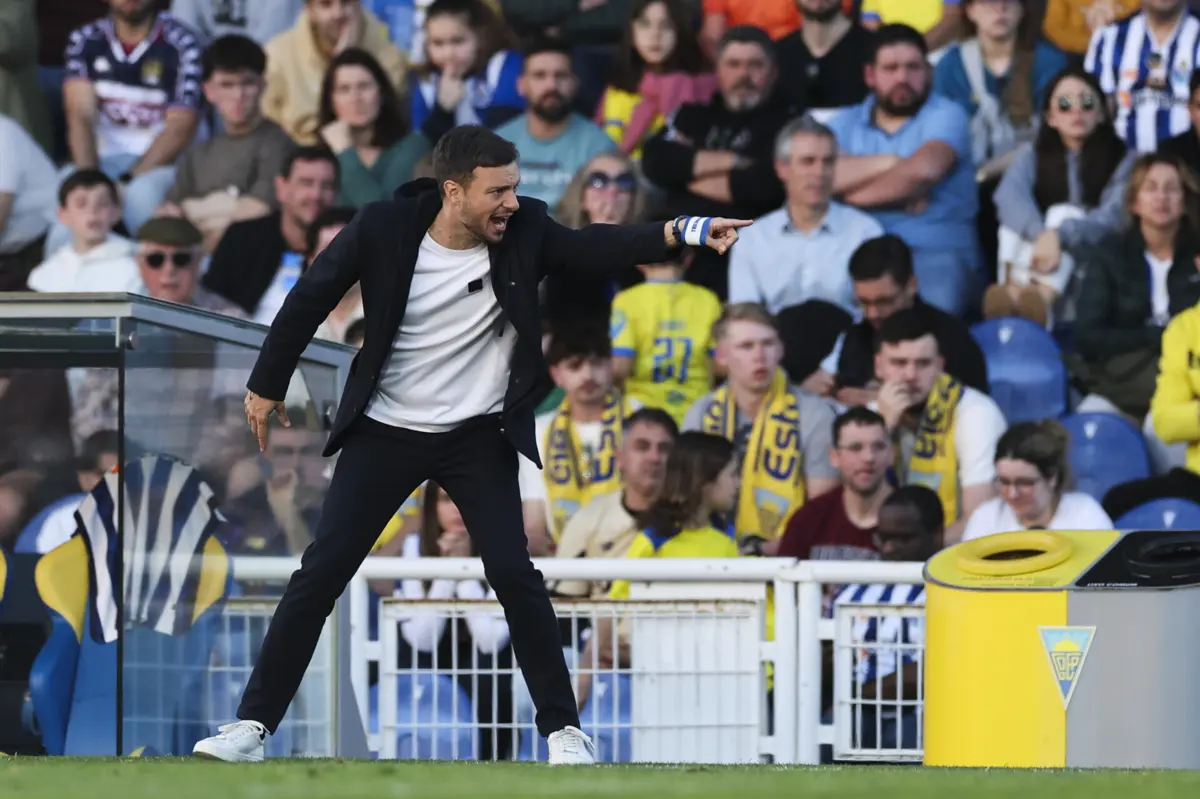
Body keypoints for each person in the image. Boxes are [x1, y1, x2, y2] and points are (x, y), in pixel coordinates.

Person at [191, 124, 750, 764]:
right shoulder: (381, 226)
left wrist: (684, 230)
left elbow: (598, 246)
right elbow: (309, 299)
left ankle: (563, 732)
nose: (513, 202)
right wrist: (265, 385)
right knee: (320, 575)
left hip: (478, 435)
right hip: (385, 432)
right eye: (499, 190)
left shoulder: (527, 230)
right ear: (453, 192)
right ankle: (252, 727)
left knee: (514, 574)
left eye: (515, 187)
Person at [574, 430, 741, 710]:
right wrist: (584, 676)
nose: (739, 484)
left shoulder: (727, 536)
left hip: (715, 680)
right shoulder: (654, 540)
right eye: (733, 474)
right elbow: (611, 607)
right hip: (661, 683)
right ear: (705, 481)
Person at [682, 302, 841, 550]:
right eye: (746, 346)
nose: (759, 356)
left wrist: (765, 551)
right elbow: (687, 499)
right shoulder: (700, 413)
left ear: (781, 349)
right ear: (721, 356)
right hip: (710, 555)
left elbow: (820, 510)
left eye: (767, 344)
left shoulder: (815, 414)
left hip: (787, 560)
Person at [395, 481, 515, 759]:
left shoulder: (502, 545)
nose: (458, 509)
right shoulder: (415, 546)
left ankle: (493, 760)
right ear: (432, 507)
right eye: (448, 499)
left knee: (488, 672)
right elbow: (422, 641)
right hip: (431, 655)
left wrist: (462, 570)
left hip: (484, 662)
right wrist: (448, 571)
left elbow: (489, 641)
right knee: (417, 663)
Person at [873, 308, 1008, 544]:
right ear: (879, 366)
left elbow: (980, 522)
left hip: (955, 560)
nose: (910, 375)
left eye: (923, 363)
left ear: (940, 366)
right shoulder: (870, 416)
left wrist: (913, 551)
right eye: (899, 363)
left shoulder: (976, 414)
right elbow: (854, 514)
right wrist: (884, 432)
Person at [159, 34, 296, 253]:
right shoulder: (199, 152)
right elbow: (168, 213)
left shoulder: (278, 143)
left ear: (262, 85)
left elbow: (259, 208)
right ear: (209, 91)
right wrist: (223, 206)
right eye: (227, 84)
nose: (238, 95)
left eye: (247, 83)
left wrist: (194, 213)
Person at [610, 249, 722, 425]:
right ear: (688, 259)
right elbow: (719, 365)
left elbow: (621, 366)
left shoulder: (627, 300)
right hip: (698, 409)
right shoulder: (708, 299)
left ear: (639, 262)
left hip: (641, 409)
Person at [597, 0, 714, 158]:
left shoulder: (696, 86)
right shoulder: (616, 87)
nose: (655, 35)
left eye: (666, 26)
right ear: (632, 33)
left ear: (680, 32)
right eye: (645, 24)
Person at [774, 406, 892, 561]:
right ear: (834, 456)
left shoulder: (913, 520)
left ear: (891, 454)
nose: (868, 457)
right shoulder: (808, 519)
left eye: (878, 447)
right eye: (855, 448)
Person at [963, 419, 1113, 541]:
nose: (1012, 494)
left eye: (1024, 483)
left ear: (1052, 478)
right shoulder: (986, 519)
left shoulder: (1086, 516)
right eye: (1004, 481)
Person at [317, 48, 432, 206]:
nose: (355, 98)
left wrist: (344, 152)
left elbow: (384, 212)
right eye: (344, 89)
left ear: (381, 93)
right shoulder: (319, 156)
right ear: (331, 101)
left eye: (364, 86)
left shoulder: (412, 147)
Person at [27, 170, 140, 294]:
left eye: (102, 204)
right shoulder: (44, 275)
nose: (92, 212)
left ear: (116, 212)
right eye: (81, 204)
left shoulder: (136, 268)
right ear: (62, 215)